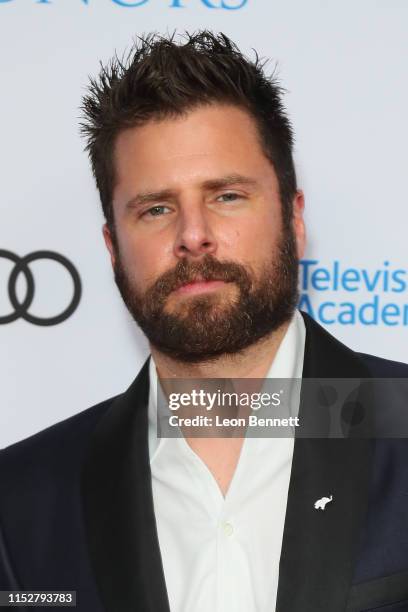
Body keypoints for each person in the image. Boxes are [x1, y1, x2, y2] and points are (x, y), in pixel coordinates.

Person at [1, 30, 408, 612]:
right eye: (156, 209)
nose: (193, 235)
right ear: (113, 247)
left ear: (294, 219)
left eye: (226, 196)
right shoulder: (21, 503)